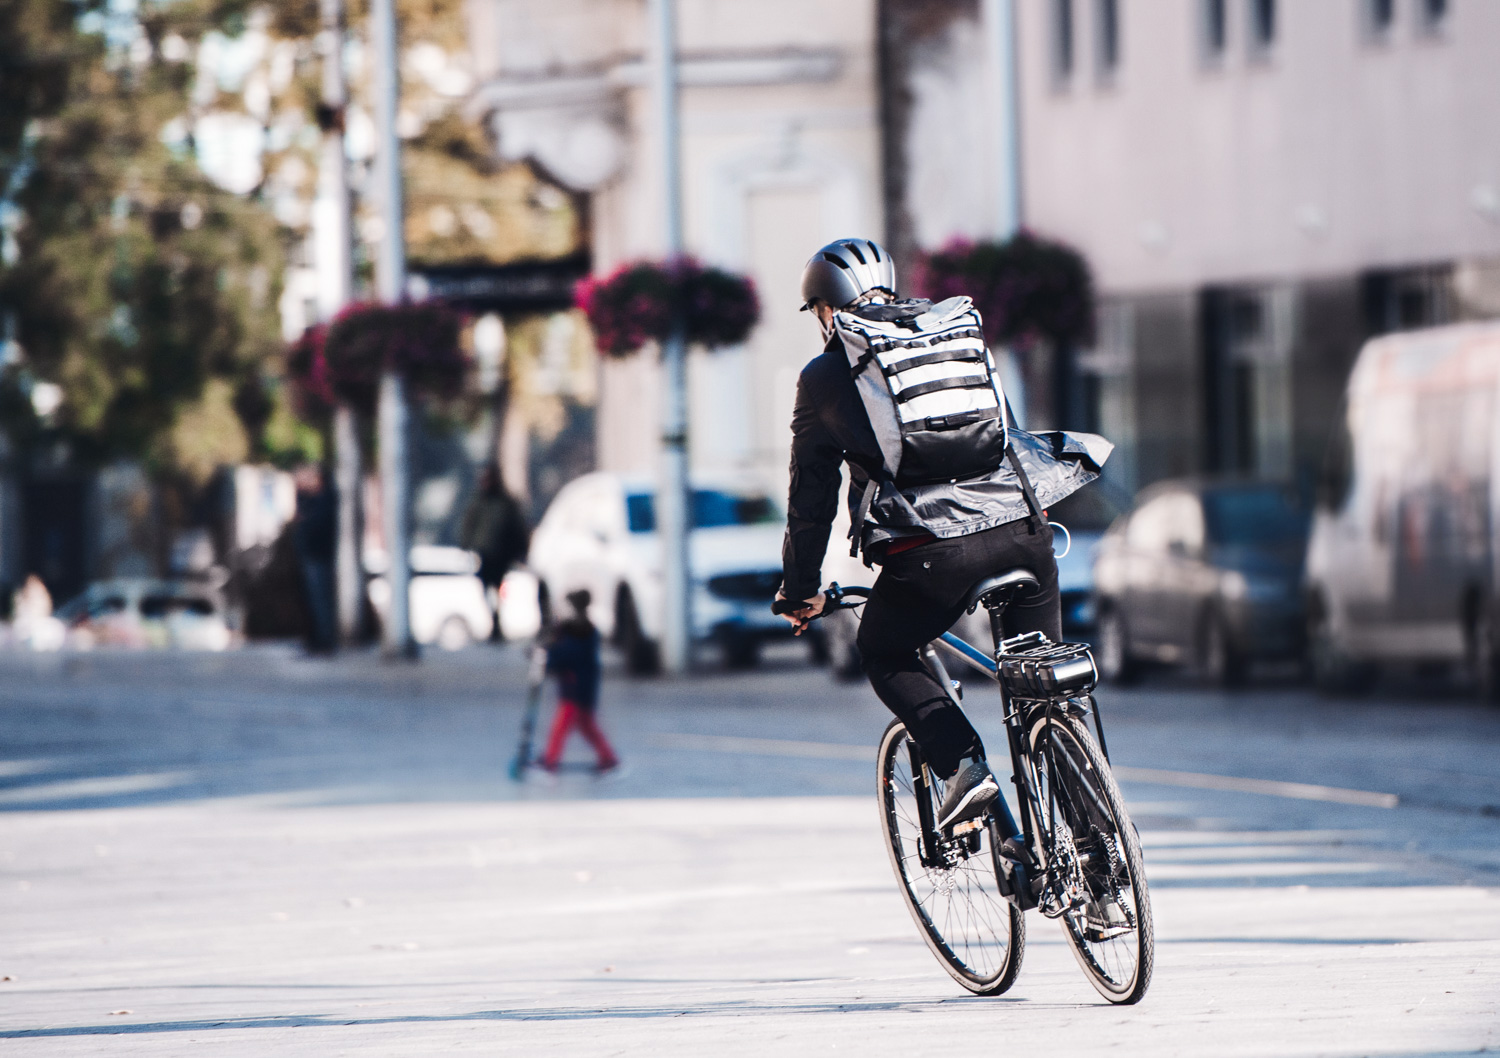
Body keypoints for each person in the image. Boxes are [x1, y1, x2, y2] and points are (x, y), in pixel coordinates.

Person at [775, 238, 1107, 834]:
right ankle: (1102, 868)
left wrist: (800, 589)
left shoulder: (826, 375)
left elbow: (811, 500)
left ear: (826, 310)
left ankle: (961, 767)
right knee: (1049, 690)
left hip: (930, 554)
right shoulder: (951, 334)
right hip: (1023, 528)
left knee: (886, 650)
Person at [540, 589, 619, 774]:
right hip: (576, 686)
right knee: (586, 724)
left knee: (562, 725)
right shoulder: (569, 629)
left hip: (576, 687)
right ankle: (607, 756)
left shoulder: (582, 631)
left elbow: (568, 654)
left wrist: (551, 656)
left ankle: (551, 760)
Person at [459, 464, 531, 640]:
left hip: (501, 553)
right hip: (484, 552)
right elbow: (469, 525)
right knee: (485, 586)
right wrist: (466, 544)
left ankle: (497, 621)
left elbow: (518, 527)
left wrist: (521, 550)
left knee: (499, 587)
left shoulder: (506, 502)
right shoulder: (479, 501)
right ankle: (493, 619)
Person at [292, 464, 337, 654]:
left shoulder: (325, 500)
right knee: (313, 600)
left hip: (319, 555)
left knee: (321, 600)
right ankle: (316, 638)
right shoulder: (310, 500)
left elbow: (313, 525)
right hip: (310, 554)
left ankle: (324, 639)